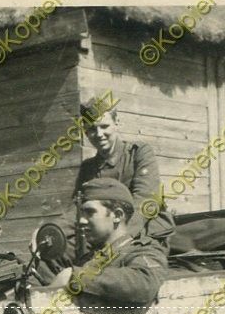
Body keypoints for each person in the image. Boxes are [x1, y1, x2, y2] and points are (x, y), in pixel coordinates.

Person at [40, 178, 167, 308]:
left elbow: (144, 283)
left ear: (117, 215)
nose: (81, 221)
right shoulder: (90, 257)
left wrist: (75, 277)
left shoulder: (142, 250)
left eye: (90, 212)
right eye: (81, 213)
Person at [74, 97, 175, 251]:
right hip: (102, 236)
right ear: (86, 132)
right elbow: (76, 208)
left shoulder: (139, 153)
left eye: (104, 126)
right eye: (92, 129)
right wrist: (48, 232)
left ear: (116, 123)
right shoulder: (88, 168)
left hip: (142, 232)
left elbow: (145, 201)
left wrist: (120, 238)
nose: (99, 134)